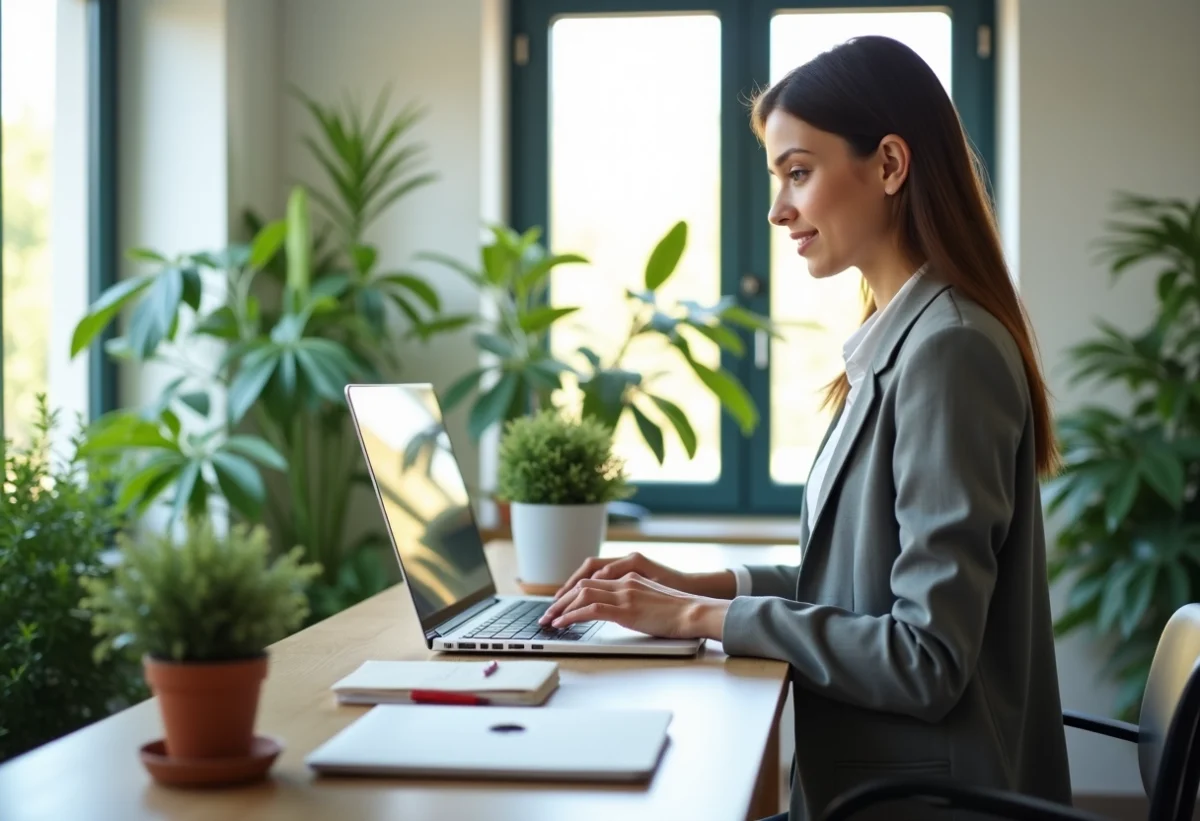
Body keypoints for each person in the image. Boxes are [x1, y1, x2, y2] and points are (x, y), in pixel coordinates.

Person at [538, 34, 1073, 821]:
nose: (778, 208)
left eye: (799, 172)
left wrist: (696, 621)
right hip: (877, 784)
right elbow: (861, 594)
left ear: (889, 165)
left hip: (923, 799)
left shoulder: (948, 351)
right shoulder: (906, 339)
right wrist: (700, 585)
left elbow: (925, 656)